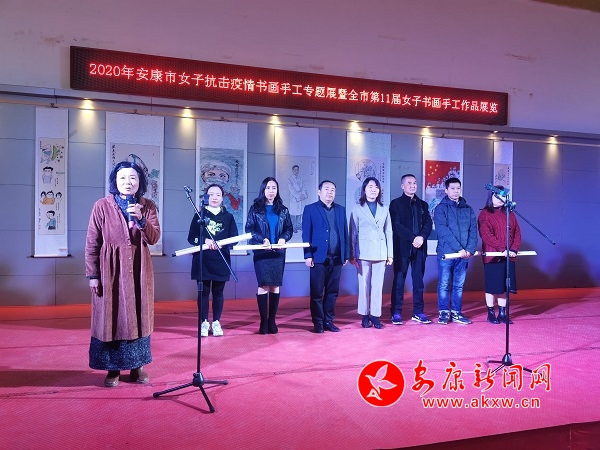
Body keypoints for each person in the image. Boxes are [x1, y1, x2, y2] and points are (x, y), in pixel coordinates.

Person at [85, 161, 161, 387]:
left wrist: (141, 219)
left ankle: (138, 366)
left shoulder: (147, 206)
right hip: (110, 271)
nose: (128, 182)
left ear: (140, 182)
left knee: (138, 315)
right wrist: (93, 275)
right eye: (123, 178)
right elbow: (92, 243)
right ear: (115, 182)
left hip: (139, 269)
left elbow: (154, 238)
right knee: (111, 316)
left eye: (133, 178)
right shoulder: (101, 206)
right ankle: (113, 369)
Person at [187, 184, 239, 337]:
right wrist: (205, 241)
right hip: (202, 260)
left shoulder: (228, 217)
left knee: (218, 292)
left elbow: (234, 239)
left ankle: (216, 322)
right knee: (203, 293)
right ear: (206, 196)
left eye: (218, 195)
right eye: (211, 194)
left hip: (221, 260)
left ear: (222, 198)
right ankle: (204, 322)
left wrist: (222, 243)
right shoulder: (199, 215)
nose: (214, 197)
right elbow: (191, 238)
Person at [245, 177, 293, 334]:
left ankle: (272, 320)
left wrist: (283, 238)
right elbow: (249, 229)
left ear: (277, 190)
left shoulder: (283, 210)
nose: (271, 191)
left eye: (274, 188)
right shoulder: (255, 209)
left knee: (275, 285)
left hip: (278, 253)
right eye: (268, 188)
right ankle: (263, 321)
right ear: (263, 190)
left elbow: (289, 229)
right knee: (263, 285)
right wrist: (262, 239)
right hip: (262, 252)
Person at [302, 180, 349, 333]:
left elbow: (345, 233)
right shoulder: (310, 209)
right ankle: (318, 322)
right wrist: (307, 254)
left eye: (333, 190)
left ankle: (329, 321)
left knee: (333, 292)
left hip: (336, 258)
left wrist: (345, 254)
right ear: (319, 192)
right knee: (317, 293)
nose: (330, 192)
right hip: (317, 258)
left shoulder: (341, 210)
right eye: (327, 189)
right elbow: (306, 234)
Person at [349, 177, 393, 329]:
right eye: (370, 187)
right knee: (364, 285)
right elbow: (353, 233)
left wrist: (390, 254)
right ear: (364, 189)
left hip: (380, 251)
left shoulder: (385, 208)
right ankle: (364, 315)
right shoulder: (357, 208)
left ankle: (375, 315)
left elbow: (389, 232)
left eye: (376, 187)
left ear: (379, 190)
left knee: (377, 286)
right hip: (363, 251)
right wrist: (352, 254)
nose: (373, 189)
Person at [389, 174, 433, 325]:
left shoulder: (423, 205)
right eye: (409, 183)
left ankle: (418, 312)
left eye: (414, 183)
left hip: (420, 247)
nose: (412, 185)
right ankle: (396, 312)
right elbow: (396, 226)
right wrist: (412, 238)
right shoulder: (395, 204)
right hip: (402, 248)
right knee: (399, 281)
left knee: (418, 281)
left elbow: (428, 224)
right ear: (402, 186)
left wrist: (421, 237)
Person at [433, 177, 477, 325]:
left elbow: (473, 231)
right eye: (452, 188)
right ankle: (444, 312)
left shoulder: (468, 209)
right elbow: (442, 231)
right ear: (446, 190)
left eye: (458, 188)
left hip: (464, 255)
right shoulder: (440, 208)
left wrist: (469, 249)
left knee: (458, 285)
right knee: (444, 284)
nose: (456, 191)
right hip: (447, 253)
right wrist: (459, 249)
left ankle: (457, 312)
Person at [478, 186, 521, 324]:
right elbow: (486, 234)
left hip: (508, 256)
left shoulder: (509, 213)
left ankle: (502, 313)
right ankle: (491, 313)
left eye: (503, 196)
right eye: (497, 196)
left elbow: (517, 232)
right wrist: (502, 248)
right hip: (493, 256)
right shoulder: (485, 214)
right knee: (492, 286)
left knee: (504, 286)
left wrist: (513, 248)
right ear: (491, 196)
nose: (501, 198)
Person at [288, 165, 308, 233]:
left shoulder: (300, 179)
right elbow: (291, 190)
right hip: (294, 198)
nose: (296, 171)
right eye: (295, 170)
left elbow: (303, 187)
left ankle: (299, 225)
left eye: (297, 170)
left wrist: (303, 195)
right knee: (293, 213)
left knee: (300, 212)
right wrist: (298, 196)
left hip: (300, 198)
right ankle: (293, 227)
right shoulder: (290, 179)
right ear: (292, 170)